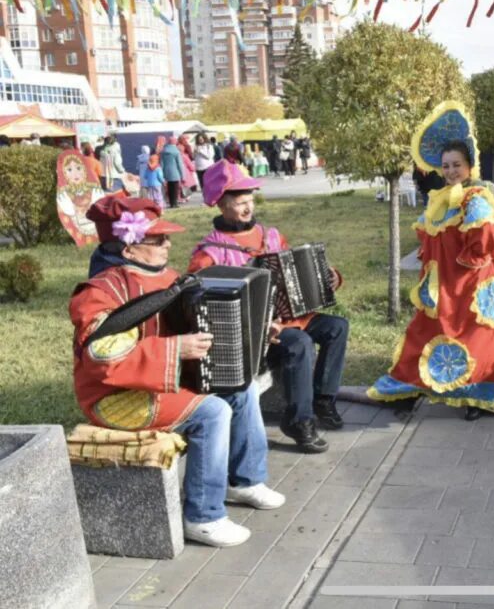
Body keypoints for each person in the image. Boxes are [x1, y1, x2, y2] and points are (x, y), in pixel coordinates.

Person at [70, 195, 285, 547]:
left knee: (240, 388)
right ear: (127, 250)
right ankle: (203, 516)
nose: (168, 244)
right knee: (213, 412)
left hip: (164, 380)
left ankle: (245, 479)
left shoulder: (170, 277)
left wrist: (260, 331)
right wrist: (175, 349)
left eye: (166, 237)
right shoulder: (98, 294)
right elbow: (103, 359)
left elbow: (204, 321)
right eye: (157, 240)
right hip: (117, 397)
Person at [188, 160, 349, 453]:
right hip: (255, 334)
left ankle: (323, 398)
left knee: (337, 327)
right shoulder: (209, 254)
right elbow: (202, 307)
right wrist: (259, 324)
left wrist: (328, 277)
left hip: (289, 318)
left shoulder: (271, 236)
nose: (248, 208)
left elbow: (294, 273)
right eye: (240, 203)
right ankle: (299, 421)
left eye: (250, 201)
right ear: (221, 206)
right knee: (298, 342)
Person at [368, 127, 494, 420]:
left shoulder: (476, 198)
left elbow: (485, 238)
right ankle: (408, 390)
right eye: (446, 165)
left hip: (469, 286)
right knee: (422, 335)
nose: (450, 171)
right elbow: (427, 235)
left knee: (477, 340)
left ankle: (478, 397)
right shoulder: (439, 197)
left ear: (469, 165)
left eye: (456, 165)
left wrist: (462, 261)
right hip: (439, 284)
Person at [160, 136, 186, 208]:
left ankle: (171, 203)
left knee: (170, 188)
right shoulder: (176, 151)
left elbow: (161, 163)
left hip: (166, 171)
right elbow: (179, 164)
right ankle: (175, 203)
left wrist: (162, 173)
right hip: (175, 172)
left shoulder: (163, 151)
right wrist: (182, 175)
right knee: (175, 188)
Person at [177, 136, 198, 203]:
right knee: (186, 185)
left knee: (180, 186)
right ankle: (186, 197)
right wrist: (193, 169)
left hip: (177, 173)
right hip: (186, 172)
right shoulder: (185, 156)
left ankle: (180, 198)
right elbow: (190, 165)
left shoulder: (175, 155)